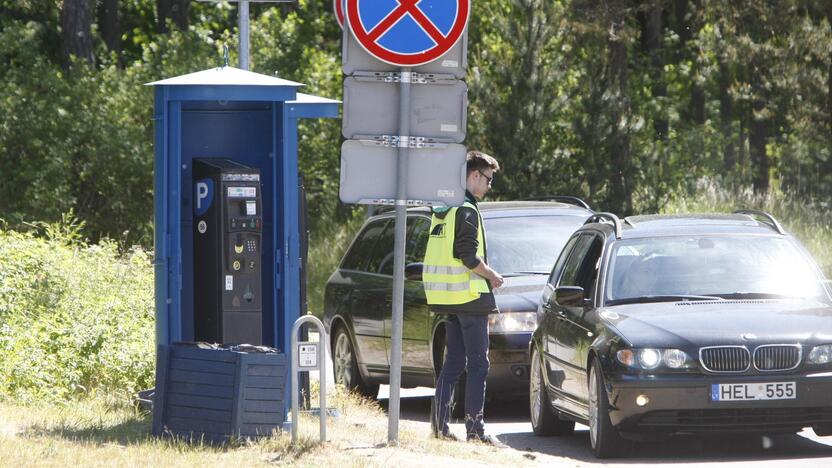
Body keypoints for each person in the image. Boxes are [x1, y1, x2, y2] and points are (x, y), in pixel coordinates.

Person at [423, 150, 504, 444]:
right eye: (488, 179)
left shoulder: (443, 210)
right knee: (479, 364)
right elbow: (467, 256)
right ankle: (475, 429)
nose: (489, 185)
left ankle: (440, 426)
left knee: (454, 362)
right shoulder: (466, 210)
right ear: (474, 176)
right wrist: (492, 276)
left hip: (448, 299)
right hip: (469, 298)